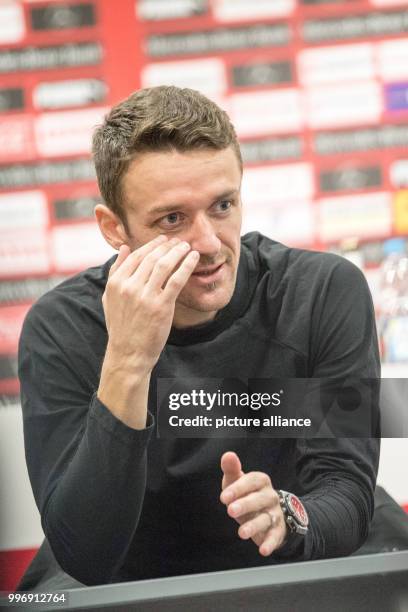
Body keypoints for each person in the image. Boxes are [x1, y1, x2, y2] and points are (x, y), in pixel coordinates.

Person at [17, 86, 380, 589]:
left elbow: (347, 491)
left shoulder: (320, 292)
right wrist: (127, 359)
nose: (209, 245)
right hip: (133, 581)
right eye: (173, 219)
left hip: (290, 564)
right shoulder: (61, 327)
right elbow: (85, 554)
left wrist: (288, 515)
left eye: (223, 205)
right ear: (113, 228)